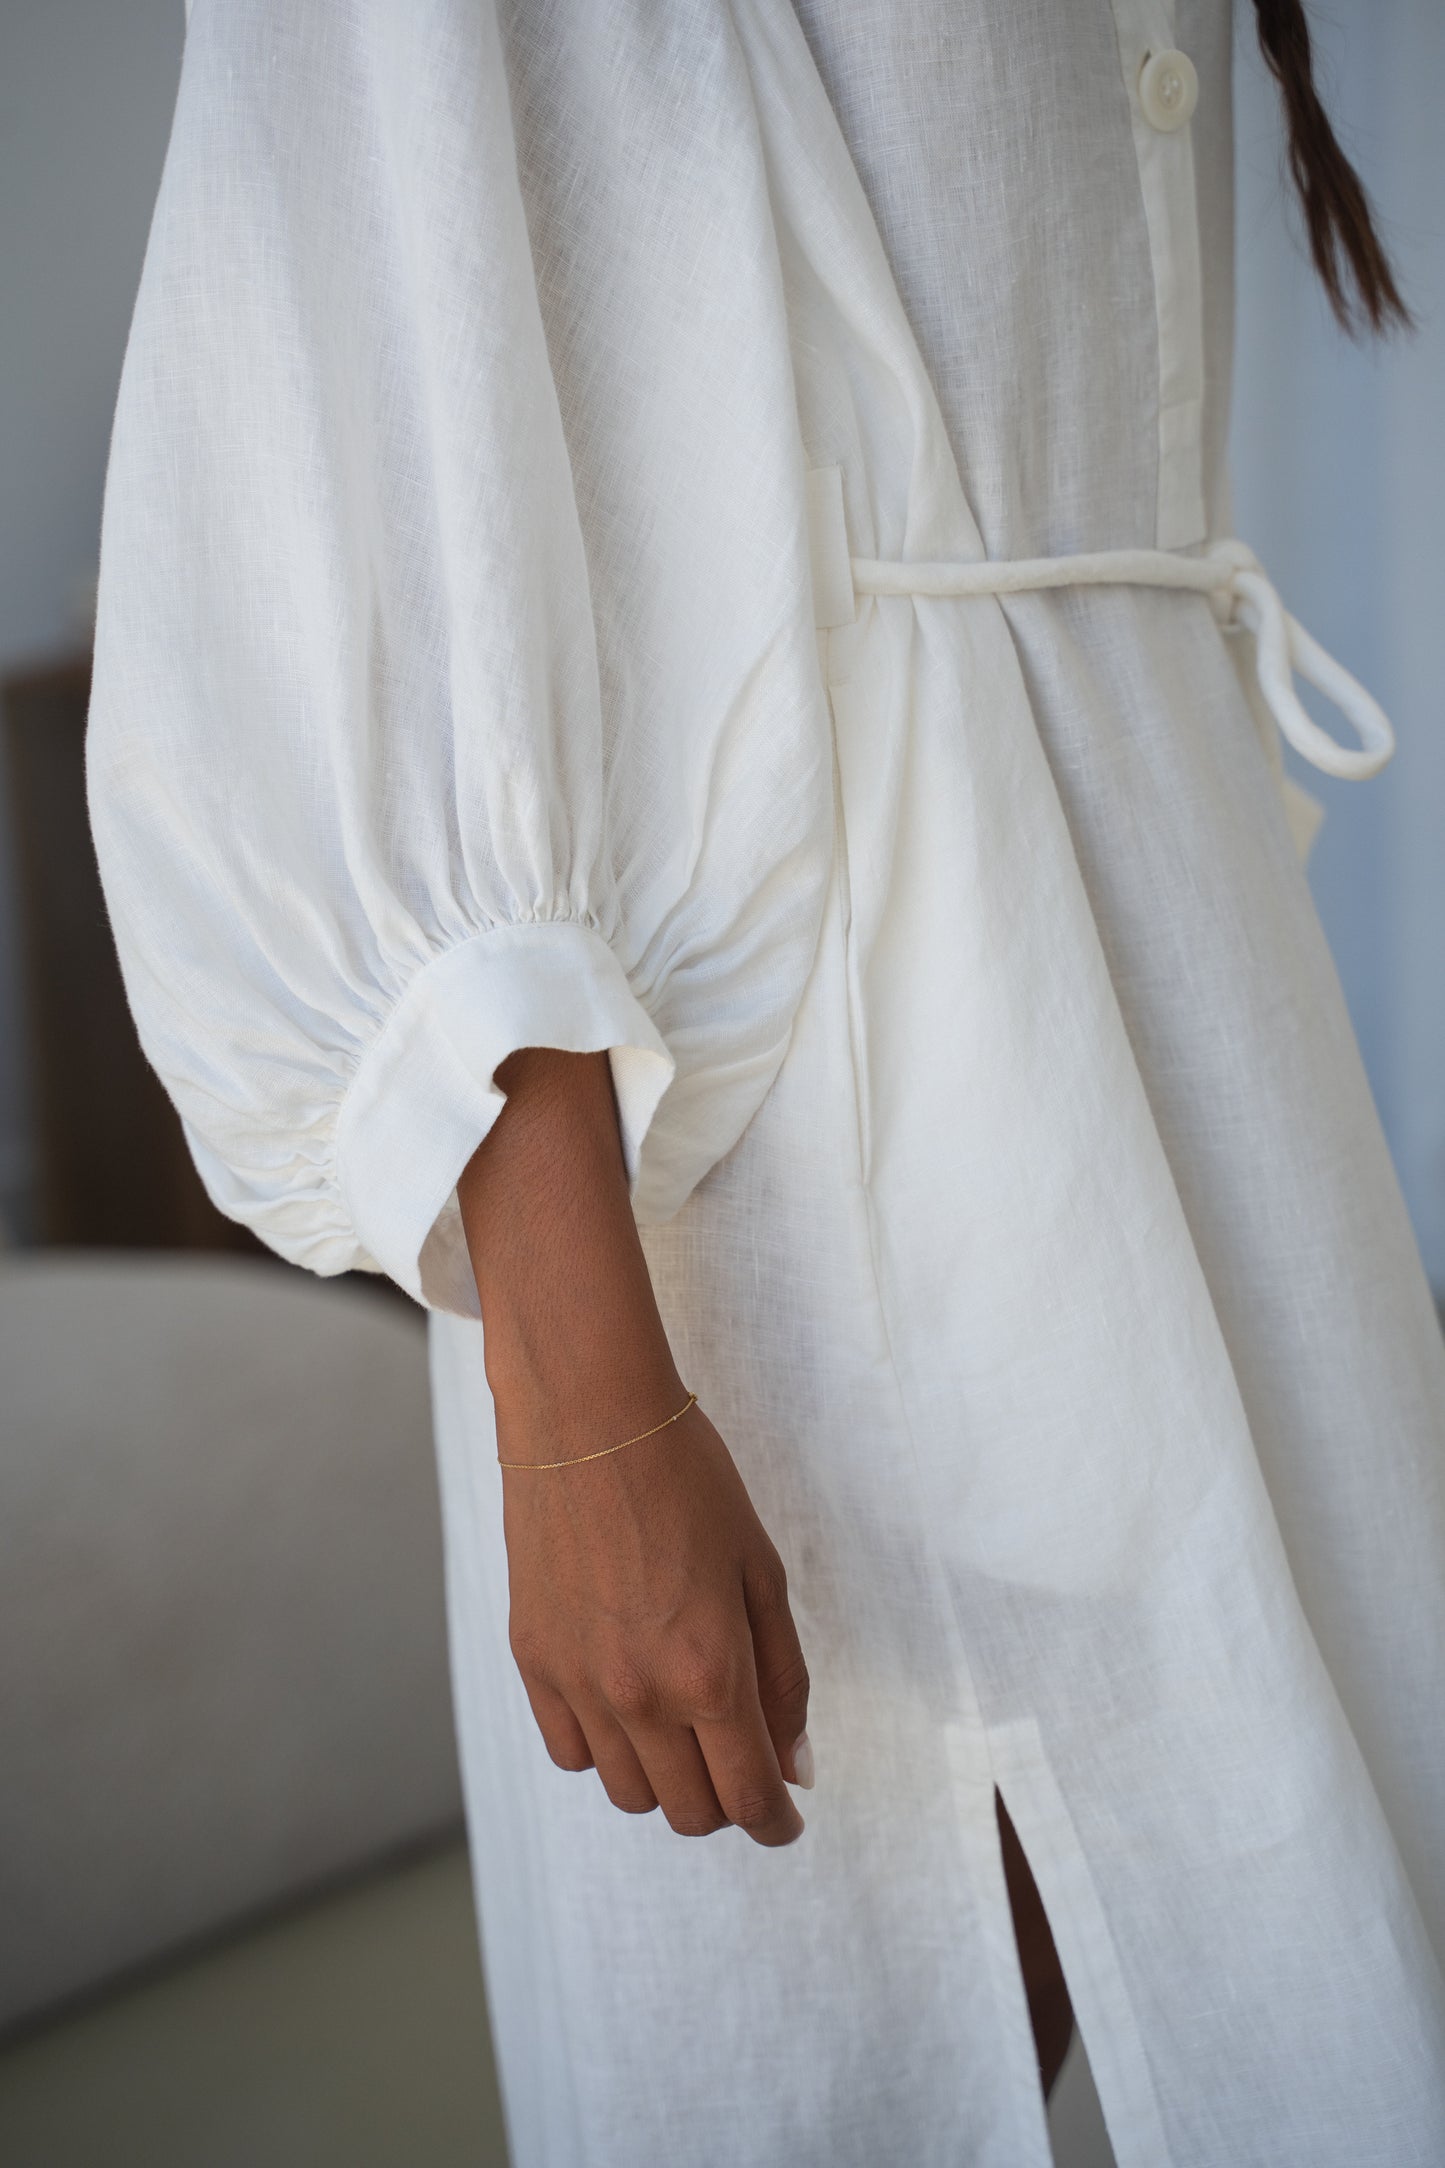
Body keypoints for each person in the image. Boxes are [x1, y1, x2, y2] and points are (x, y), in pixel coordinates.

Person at [87, 2, 1445, 2161]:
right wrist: (586, 1411)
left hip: (1190, 1019)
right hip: (813, 1084)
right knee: (857, 2049)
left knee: (1317, 1921)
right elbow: (372, 346)